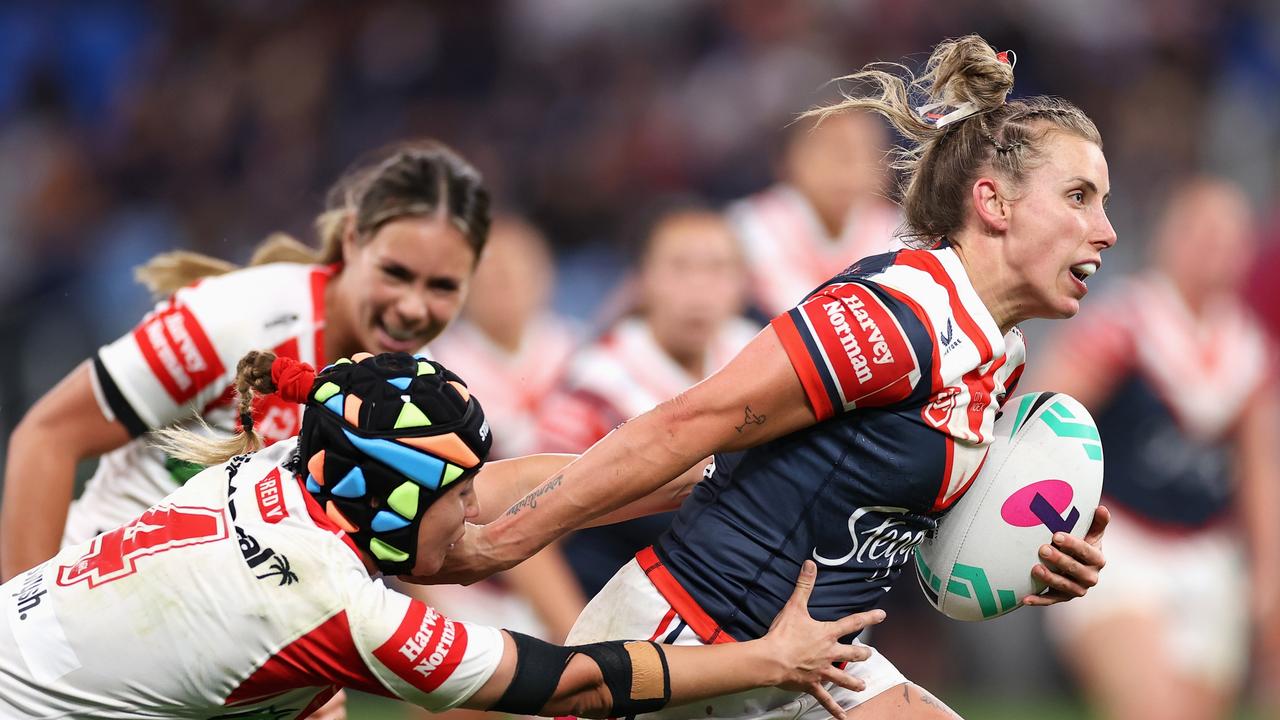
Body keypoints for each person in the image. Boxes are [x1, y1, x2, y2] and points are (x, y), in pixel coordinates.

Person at [431, 35, 1112, 719]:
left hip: (819, 660)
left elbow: (886, 504)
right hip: (692, 639)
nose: (1105, 230)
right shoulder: (894, 320)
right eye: (1079, 196)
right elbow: (689, 425)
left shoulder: (1002, 351)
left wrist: (1031, 543)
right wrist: (503, 542)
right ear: (993, 203)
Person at [0, 350, 885, 718]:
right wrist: (773, 660)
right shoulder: (343, 609)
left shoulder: (284, 468)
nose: (471, 510)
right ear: (391, 503)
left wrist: (706, 473)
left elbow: (507, 490)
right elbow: (576, 681)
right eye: (450, 495)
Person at [1, 139, 490, 583]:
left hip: (231, 651)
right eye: (396, 273)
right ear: (353, 240)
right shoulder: (237, 318)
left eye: (442, 287)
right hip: (100, 612)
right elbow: (47, 438)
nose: (412, 307)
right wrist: (22, 635)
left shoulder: (421, 389)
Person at [1034, 177, 1280, 720]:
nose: (1213, 247)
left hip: (1207, 557)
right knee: (1150, 709)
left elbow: (1260, 475)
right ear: (1169, 235)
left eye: (1228, 235)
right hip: (1118, 543)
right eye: (1200, 230)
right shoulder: (1126, 323)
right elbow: (1046, 412)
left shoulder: (1248, 349)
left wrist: (1268, 581)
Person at [537, 203, 758, 596]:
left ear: (743, 283)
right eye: (680, 267)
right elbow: (538, 533)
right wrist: (570, 648)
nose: (699, 289)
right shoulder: (596, 384)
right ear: (641, 279)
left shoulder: (762, 358)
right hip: (614, 611)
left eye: (717, 269)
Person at [726, 110, 901, 318]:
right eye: (832, 151)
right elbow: (797, 313)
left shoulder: (901, 231)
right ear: (790, 159)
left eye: (862, 151)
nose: (847, 168)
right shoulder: (748, 225)